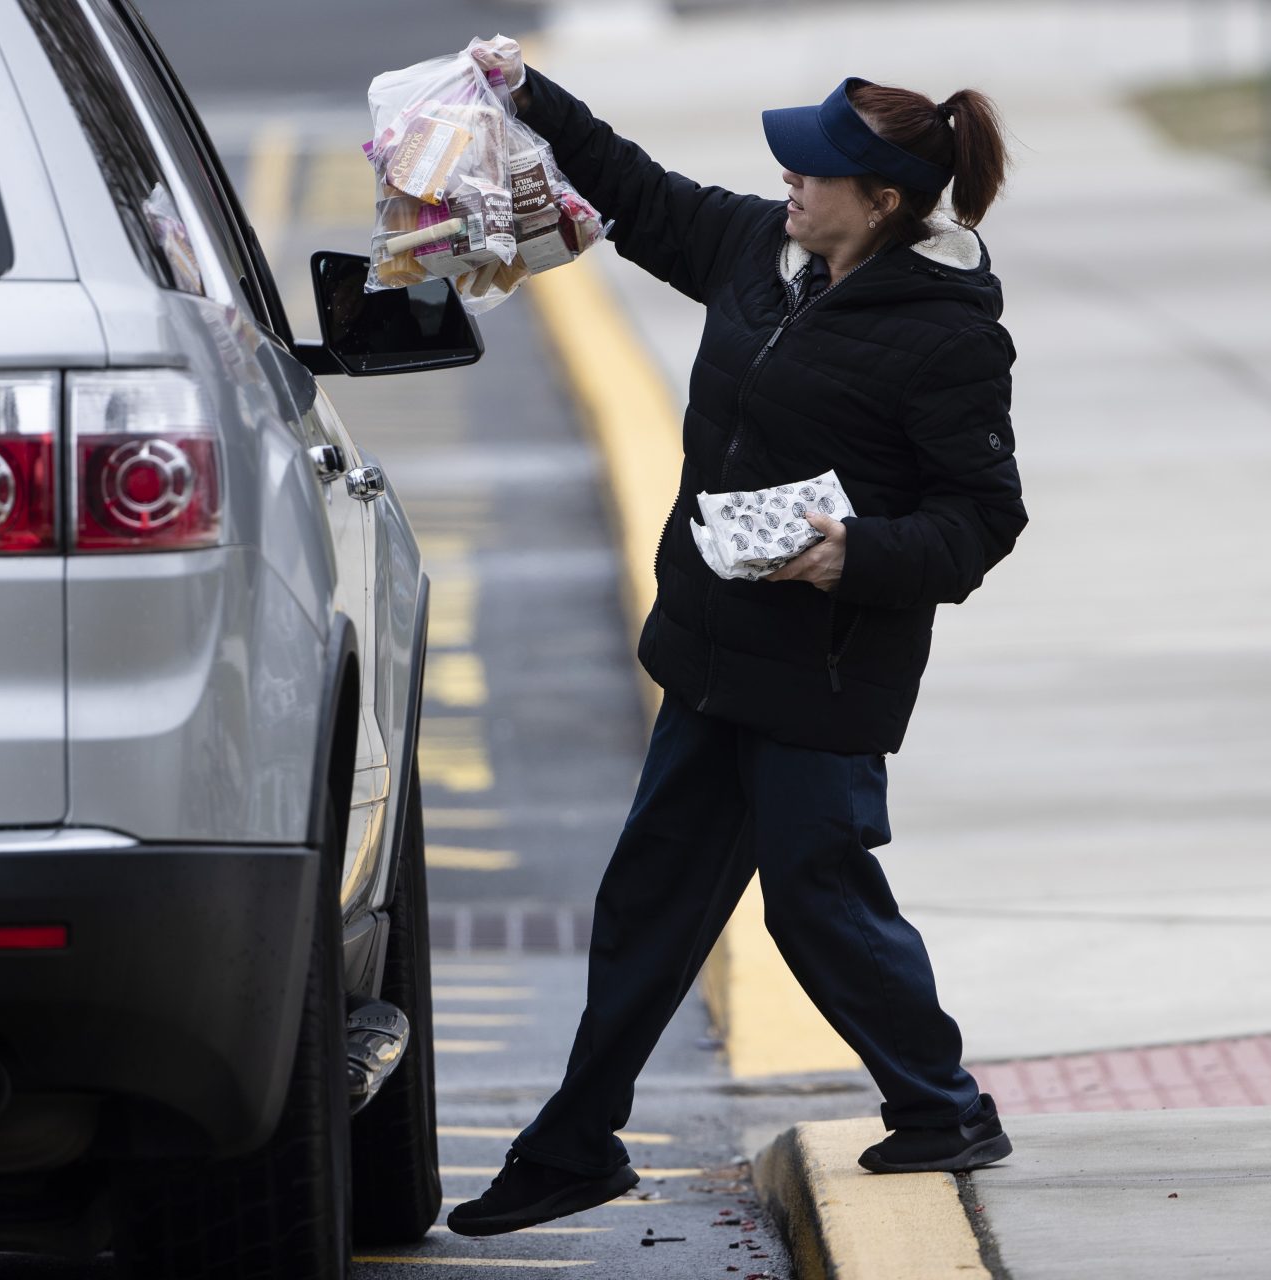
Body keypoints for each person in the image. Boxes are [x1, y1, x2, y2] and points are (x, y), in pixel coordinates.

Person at [448, 44, 1029, 1238]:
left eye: (813, 174)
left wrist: (853, 551)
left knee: (817, 896)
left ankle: (944, 1103)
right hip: (715, 650)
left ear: (882, 203)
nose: (787, 182)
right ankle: (572, 1144)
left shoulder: (947, 333)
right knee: (651, 892)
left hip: (822, 669)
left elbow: (982, 519)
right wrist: (529, 94)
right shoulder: (762, 258)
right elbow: (637, 188)